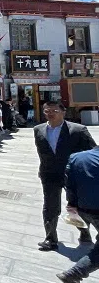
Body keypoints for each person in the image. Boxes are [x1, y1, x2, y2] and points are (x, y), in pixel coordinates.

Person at [34, 101, 96, 250]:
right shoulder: (38, 129)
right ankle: (50, 238)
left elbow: (93, 151)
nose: (50, 113)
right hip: (49, 173)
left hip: (73, 175)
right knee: (50, 206)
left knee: (77, 206)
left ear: (63, 112)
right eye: (46, 110)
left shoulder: (78, 130)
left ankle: (85, 232)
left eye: (54, 110)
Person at [56, 146, 99, 283]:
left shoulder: (76, 157)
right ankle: (74, 274)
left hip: (82, 208)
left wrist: (72, 204)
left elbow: (69, 184)